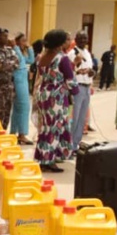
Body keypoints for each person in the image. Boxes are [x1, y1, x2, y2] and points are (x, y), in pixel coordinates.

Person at [33, 29, 79, 173]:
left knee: (46, 127)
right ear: (59, 43)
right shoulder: (61, 58)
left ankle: (43, 158)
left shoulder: (42, 57)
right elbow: (71, 81)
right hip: (56, 97)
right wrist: (74, 91)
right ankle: (50, 160)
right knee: (55, 127)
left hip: (43, 93)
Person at [67, 30, 94, 151]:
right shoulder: (72, 54)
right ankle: (69, 144)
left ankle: (76, 144)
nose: (83, 41)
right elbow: (69, 71)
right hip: (77, 87)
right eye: (81, 38)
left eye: (85, 38)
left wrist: (92, 73)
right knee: (75, 118)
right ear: (76, 40)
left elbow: (90, 69)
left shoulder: (87, 53)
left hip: (87, 86)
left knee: (82, 119)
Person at [0, 27, 20, 129]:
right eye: (4, 36)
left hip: (9, 86)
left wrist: (8, 63)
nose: (7, 38)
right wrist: (10, 63)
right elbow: (2, 66)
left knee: (7, 113)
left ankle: (3, 134)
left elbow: (17, 63)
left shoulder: (10, 50)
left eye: (7, 36)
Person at [11, 32, 35, 145]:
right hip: (18, 79)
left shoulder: (20, 51)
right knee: (24, 106)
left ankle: (15, 132)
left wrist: (29, 48)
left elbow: (31, 60)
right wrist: (15, 45)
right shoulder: (15, 51)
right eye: (23, 40)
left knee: (18, 107)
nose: (25, 42)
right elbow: (20, 60)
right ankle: (22, 133)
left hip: (23, 80)